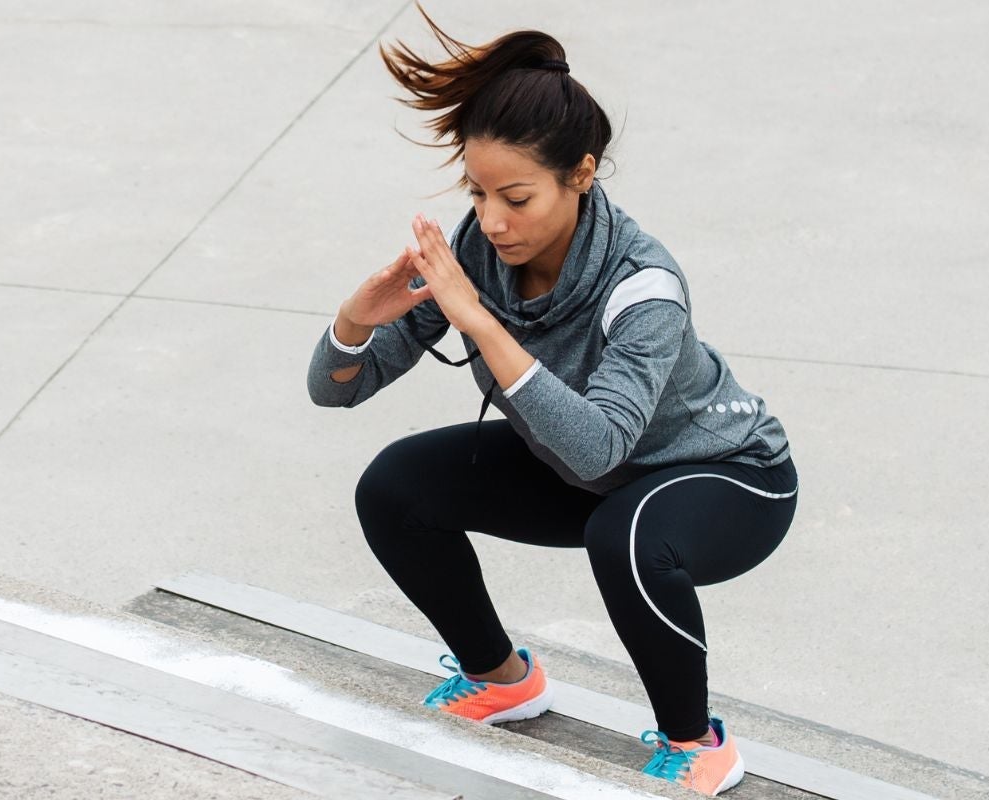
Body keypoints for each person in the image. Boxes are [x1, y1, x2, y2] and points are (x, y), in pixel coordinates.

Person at [305, 10, 797, 795]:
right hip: (589, 473)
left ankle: (698, 745)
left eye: (518, 197)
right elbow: (339, 390)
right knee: (394, 487)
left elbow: (601, 445)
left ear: (582, 174)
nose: (493, 219)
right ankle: (504, 680)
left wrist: (478, 322)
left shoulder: (644, 288)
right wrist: (355, 321)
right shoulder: (479, 250)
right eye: (478, 191)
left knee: (625, 534)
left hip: (725, 476)